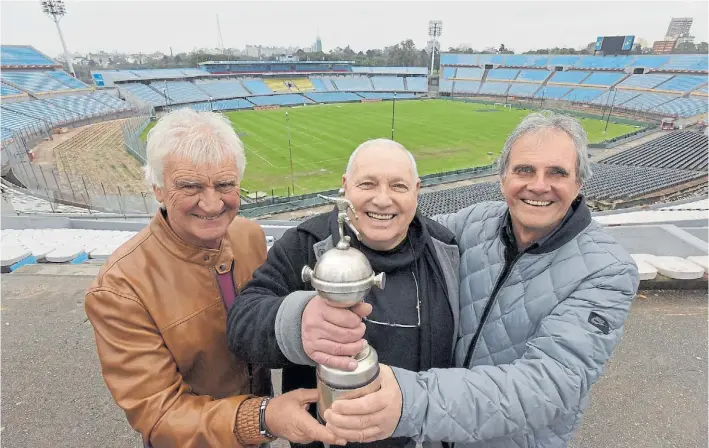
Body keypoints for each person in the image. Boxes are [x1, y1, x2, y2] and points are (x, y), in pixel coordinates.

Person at [282, 112, 640, 448]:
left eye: (558, 173)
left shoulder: (607, 270)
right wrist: (344, 225)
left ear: (579, 183)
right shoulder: (473, 224)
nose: (539, 185)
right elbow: (396, 230)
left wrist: (412, 401)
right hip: (439, 435)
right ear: (503, 179)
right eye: (525, 170)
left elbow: (549, 387)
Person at [85, 109, 342, 448]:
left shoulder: (248, 235)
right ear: (158, 189)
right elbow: (159, 416)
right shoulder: (119, 288)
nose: (211, 203)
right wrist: (262, 417)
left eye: (225, 185)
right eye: (190, 186)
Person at [226, 139, 461, 448]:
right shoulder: (304, 245)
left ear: (417, 190)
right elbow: (241, 323)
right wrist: (298, 323)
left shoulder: (445, 250)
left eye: (399, 186)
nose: (382, 199)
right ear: (345, 187)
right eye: (367, 184)